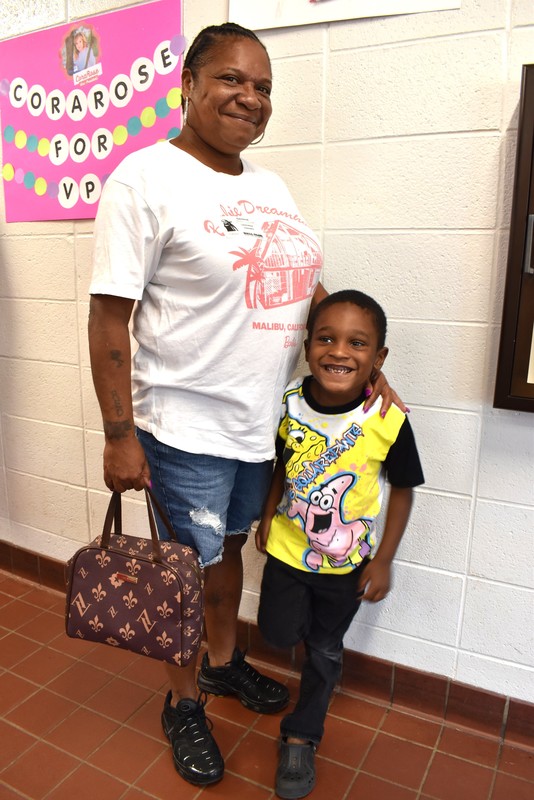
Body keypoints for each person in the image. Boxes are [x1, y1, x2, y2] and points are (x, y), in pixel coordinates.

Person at [88, 23, 404, 789]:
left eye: (263, 87)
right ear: (188, 83)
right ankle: (183, 701)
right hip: (183, 426)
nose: (250, 98)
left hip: (259, 427)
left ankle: (224, 665)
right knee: (183, 574)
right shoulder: (144, 180)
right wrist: (119, 434)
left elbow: (305, 283)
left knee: (228, 554)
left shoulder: (268, 185)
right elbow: (108, 318)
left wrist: (362, 362)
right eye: (233, 79)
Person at [255, 290, 424, 799]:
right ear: (307, 346)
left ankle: (303, 733)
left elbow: (403, 490)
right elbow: (280, 467)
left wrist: (385, 560)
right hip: (286, 552)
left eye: (357, 343)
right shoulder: (287, 403)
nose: (339, 351)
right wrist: (267, 516)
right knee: (277, 631)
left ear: (379, 358)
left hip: (347, 566)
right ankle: (306, 639)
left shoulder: (388, 419)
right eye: (326, 338)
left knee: (325, 650)